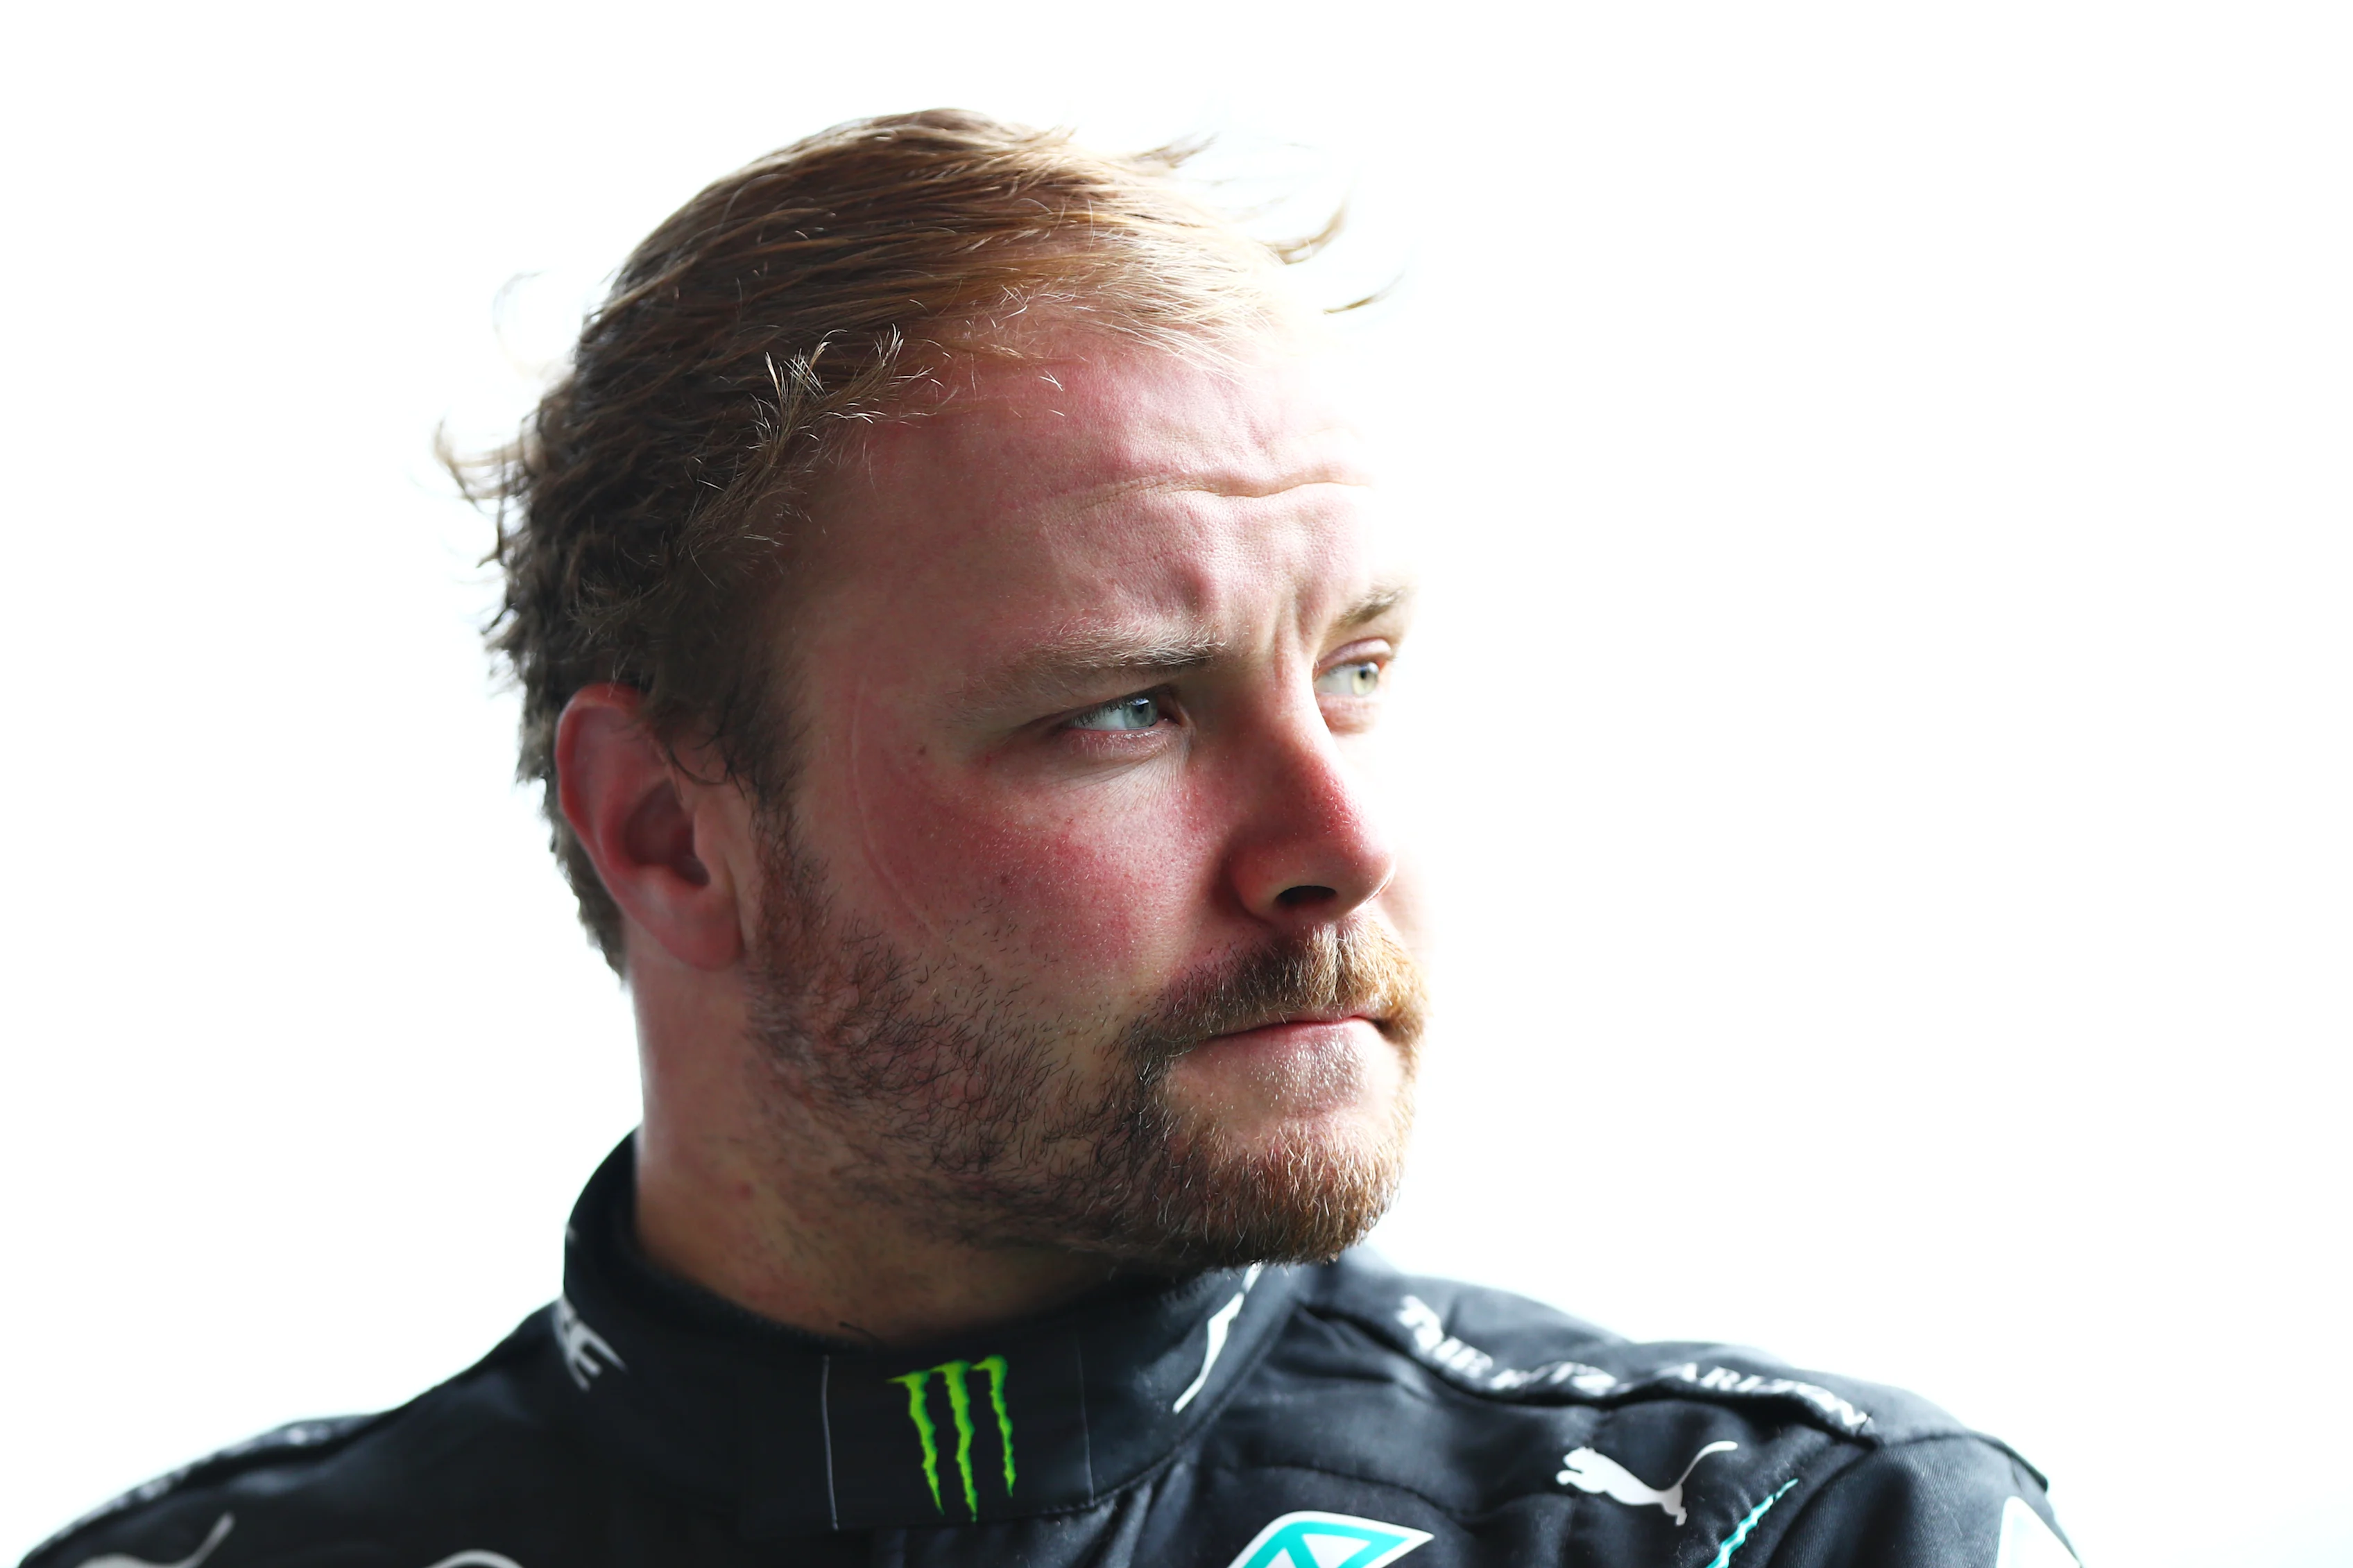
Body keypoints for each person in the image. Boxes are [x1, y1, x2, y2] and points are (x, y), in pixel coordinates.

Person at [26, 111, 2079, 1568]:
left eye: (1356, 669)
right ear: (668, 834)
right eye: (1127, 709)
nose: (1340, 840)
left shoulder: (1792, 1536)